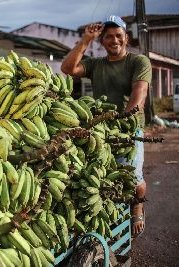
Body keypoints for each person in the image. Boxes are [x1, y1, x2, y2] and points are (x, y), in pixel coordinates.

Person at [61, 15, 151, 238]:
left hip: (128, 129)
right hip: (98, 129)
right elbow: (68, 68)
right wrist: (85, 40)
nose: (114, 40)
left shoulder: (138, 62)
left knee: (134, 179)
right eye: (108, 37)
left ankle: (138, 205)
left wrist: (123, 122)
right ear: (103, 41)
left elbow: (139, 94)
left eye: (118, 36)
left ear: (126, 38)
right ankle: (109, 219)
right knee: (101, 178)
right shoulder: (96, 64)